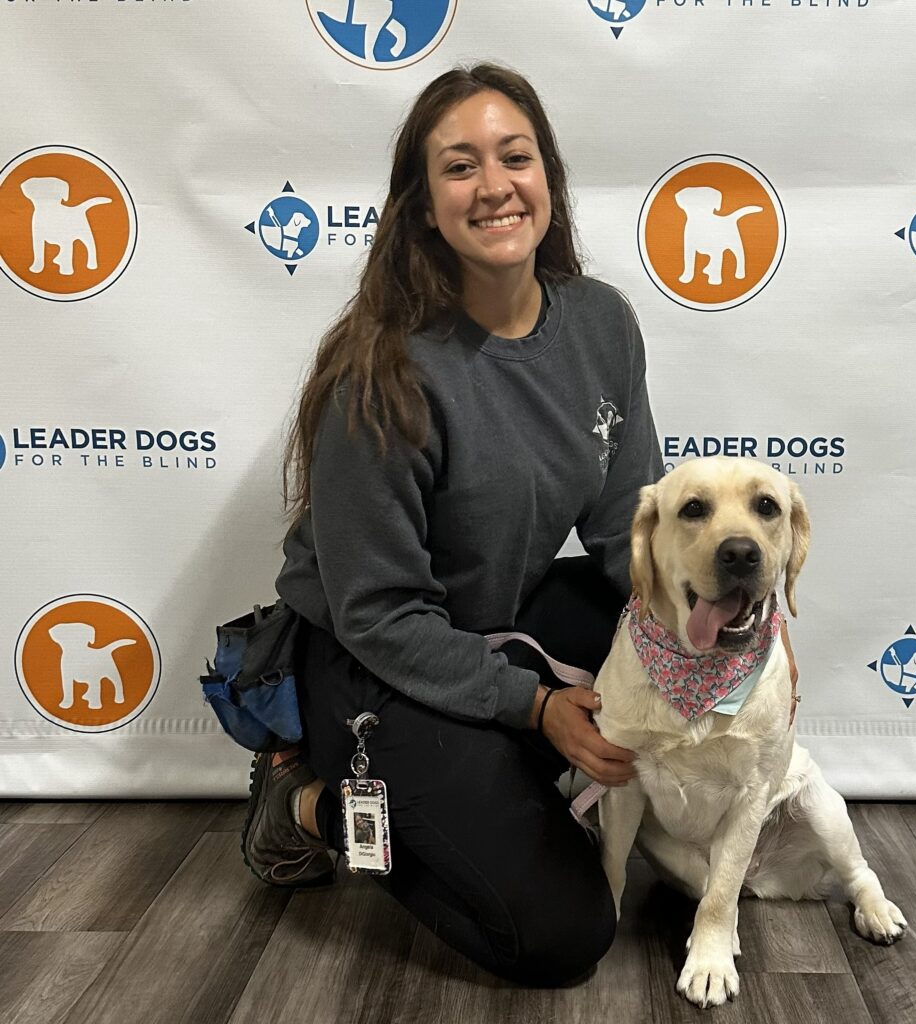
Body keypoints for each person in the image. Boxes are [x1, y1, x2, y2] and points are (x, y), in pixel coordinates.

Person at [242, 62, 659, 986]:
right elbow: (381, 614)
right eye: (460, 168)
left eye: (516, 157)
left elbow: (633, 526)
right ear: (424, 206)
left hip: (495, 620)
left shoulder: (601, 323)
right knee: (561, 934)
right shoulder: (382, 375)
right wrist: (539, 707)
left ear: (547, 175)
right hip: (370, 655)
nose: (496, 186)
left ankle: (483, 785)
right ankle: (304, 803)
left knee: (664, 618)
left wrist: (731, 650)